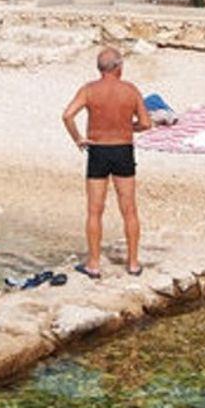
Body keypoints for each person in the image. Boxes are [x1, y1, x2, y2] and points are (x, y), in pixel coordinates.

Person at [61, 47, 154, 278]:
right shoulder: (130, 90)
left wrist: (78, 138)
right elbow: (146, 123)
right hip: (122, 150)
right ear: (118, 67)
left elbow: (67, 115)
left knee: (95, 210)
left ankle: (93, 264)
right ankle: (133, 263)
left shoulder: (89, 90)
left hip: (98, 150)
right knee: (129, 208)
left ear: (100, 68)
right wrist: (127, 126)